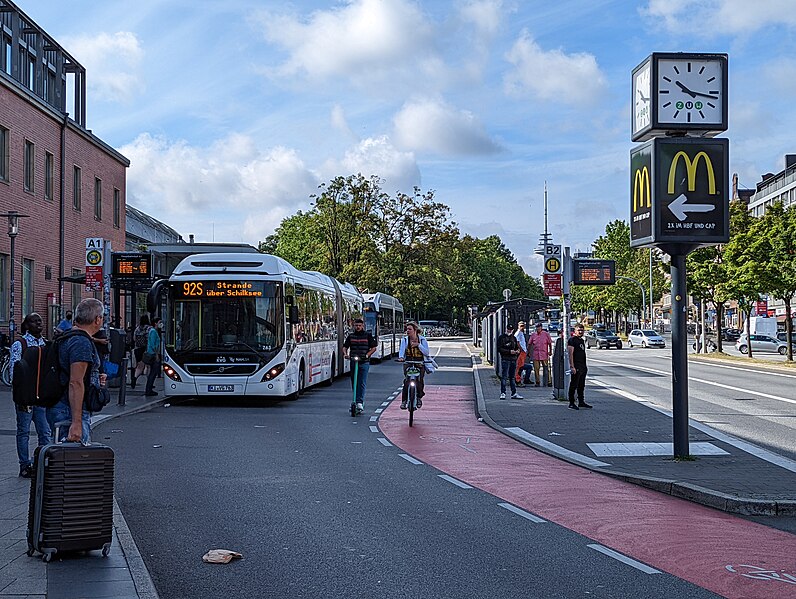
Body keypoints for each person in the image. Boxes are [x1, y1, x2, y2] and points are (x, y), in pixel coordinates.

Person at [47, 298, 107, 443]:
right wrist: (76, 422)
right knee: (74, 458)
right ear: (97, 319)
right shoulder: (81, 342)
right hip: (69, 410)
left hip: (61, 406)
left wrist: (93, 378)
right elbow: (75, 382)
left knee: (64, 458)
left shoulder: (68, 336)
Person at [10, 313, 51, 477]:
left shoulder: (45, 343)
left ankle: (42, 463)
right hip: (25, 396)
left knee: (45, 431)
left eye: (40, 321)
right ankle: (25, 465)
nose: (39, 323)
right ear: (27, 325)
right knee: (24, 431)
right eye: (35, 321)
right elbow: (15, 371)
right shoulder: (20, 344)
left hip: (41, 396)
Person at [342, 318, 377, 412]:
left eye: (359, 326)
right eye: (356, 325)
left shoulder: (368, 335)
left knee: (361, 382)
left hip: (364, 361)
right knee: (354, 382)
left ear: (363, 326)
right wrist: (345, 354)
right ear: (354, 326)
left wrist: (367, 355)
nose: (358, 327)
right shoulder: (351, 336)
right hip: (354, 361)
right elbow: (345, 346)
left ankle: (359, 402)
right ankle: (355, 400)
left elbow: (374, 347)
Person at [397, 321, 431, 409]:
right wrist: (401, 357)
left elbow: (427, 353)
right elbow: (402, 350)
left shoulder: (422, 340)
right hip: (408, 362)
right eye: (407, 329)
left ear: (415, 330)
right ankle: (404, 401)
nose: (407, 331)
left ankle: (419, 397)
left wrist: (418, 345)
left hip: (419, 362)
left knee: (420, 380)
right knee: (407, 381)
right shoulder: (404, 340)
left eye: (410, 329)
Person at [567, 324, 592, 410]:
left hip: (582, 366)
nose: (580, 332)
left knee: (581, 385)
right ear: (575, 331)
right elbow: (570, 354)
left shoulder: (581, 340)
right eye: (579, 330)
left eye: (582, 330)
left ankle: (581, 401)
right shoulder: (572, 340)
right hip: (576, 365)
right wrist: (572, 366)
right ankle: (571, 402)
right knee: (574, 384)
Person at [497, 324, 522, 400]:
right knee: (504, 376)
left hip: (513, 359)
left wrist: (517, 351)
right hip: (505, 359)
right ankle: (503, 393)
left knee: (512, 377)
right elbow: (499, 349)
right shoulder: (502, 338)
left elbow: (517, 347)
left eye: (511, 330)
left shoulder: (513, 338)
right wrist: (509, 351)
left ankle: (513, 393)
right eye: (508, 329)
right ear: (506, 329)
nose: (509, 331)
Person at [529, 322, 553, 387]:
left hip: (544, 354)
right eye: (537, 327)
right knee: (536, 369)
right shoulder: (533, 335)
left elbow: (550, 343)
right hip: (536, 354)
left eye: (539, 327)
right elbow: (530, 344)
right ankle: (537, 382)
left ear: (541, 327)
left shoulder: (546, 334)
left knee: (547, 368)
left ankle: (549, 381)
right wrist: (528, 352)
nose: (538, 328)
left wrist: (550, 351)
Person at [144, 317, 162, 397]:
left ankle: (149, 389)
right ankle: (149, 389)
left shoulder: (153, 331)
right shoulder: (153, 332)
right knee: (153, 372)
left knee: (152, 372)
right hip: (153, 354)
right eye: (159, 322)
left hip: (151, 353)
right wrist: (157, 355)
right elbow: (153, 344)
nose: (161, 324)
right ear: (155, 323)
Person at [131, 314, 151, 388]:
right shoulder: (149, 329)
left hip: (138, 349)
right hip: (145, 349)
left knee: (139, 366)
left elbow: (134, 339)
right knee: (148, 366)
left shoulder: (137, 329)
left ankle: (135, 377)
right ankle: (149, 382)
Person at [514, 322, 528, 386]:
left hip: (523, 352)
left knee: (521, 366)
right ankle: (518, 381)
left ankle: (519, 380)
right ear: (518, 326)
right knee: (519, 367)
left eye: (523, 326)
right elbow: (517, 342)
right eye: (521, 326)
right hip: (521, 352)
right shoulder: (518, 333)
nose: (522, 327)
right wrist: (521, 350)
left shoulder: (521, 333)